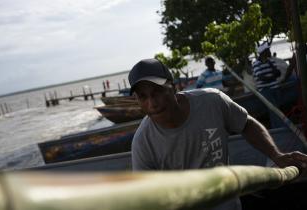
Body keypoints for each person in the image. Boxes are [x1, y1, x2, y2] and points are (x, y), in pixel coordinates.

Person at [128, 58, 307, 210]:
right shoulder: (143, 143)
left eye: (157, 92)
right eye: (143, 97)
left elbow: (246, 124)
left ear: (173, 87)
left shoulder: (212, 101)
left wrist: (276, 155)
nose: (152, 103)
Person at [252, 42, 288, 128]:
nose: (270, 51)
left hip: (275, 88)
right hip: (265, 90)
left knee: (278, 108)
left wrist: (270, 64)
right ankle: (279, 127)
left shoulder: (270, 61)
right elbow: (262, 78)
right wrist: (273, 76)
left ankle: (279, 126)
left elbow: (278, 73)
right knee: (273, 109)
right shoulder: (256, 64)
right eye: (268, 50)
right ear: (264, 52)